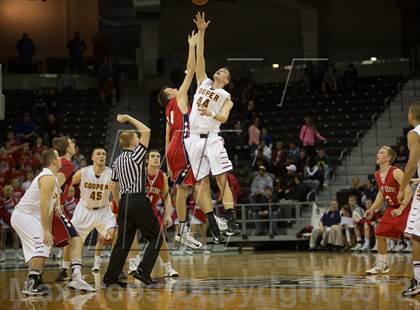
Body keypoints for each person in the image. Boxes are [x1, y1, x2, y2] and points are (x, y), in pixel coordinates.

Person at [184, 12, 238, 242]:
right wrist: (203, 32)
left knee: (221, 177)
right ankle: (212, 221)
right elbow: (201, 55)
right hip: (193, 138)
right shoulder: (203, 82)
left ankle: (231, 216)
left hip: (212, 136)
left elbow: (224, 118)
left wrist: (211, 113)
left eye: (224, 72)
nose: (219, 71)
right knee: (200, 182)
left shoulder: (226, 95)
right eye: (219, 69)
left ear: (226, 80)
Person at [103, 114, 161, 287]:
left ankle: (110, 277)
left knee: (122, 243)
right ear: (133, 142)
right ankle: (143, 271)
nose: (139, 137)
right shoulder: (136, 156)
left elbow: (113, 185)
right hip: (137, 200)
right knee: (156, 237)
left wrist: (119, 202)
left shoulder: (117, 161)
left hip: (125, 203)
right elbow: (147, 131)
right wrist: (128, 118)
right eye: (136, 137)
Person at [158, 31, 203, 249]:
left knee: (185, 189)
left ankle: (183, 229)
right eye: (171, 89)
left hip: (174, 148)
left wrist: (167, 164)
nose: (176, 88)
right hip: (183, 146)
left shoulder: (168, 111)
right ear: (170, 95)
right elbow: (192, 71)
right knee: (189, 187)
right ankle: (186, 228)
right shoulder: (180, 98)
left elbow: (167, 136)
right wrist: (192, 46)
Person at [10, 149, 60, 295]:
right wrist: (45, 231)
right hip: (24, 216)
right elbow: (44, 205)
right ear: (54, 161)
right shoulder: (47, 177)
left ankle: (36, 280)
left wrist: (49, 231)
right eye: (59, 157)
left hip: (30, 217)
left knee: (45, 245)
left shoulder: (54, 179)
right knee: (42, 244)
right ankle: (30, 284)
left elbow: (49, 209)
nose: (61, 159)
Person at [53, 137, 95, 292]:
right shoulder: (66, 163)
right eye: (72, 144)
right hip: (51, 206)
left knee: (45, 243)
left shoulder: (58, 162)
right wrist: (57, 203)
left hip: (46, 205)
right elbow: (55, 184)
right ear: (67, 148)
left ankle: (34, 277)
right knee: (75, 240)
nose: (74, 146)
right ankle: (76, 277)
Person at [127, 150, 178, 277]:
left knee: (160, 239)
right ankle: (133, 263)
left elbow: (166, 197)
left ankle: (168, 268)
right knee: (132, 235)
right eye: (152, 156)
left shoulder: (162, 176)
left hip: (151, 210)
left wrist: (168, 215)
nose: (156, 158)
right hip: (135, 208)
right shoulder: (138, 173)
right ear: (147, 160)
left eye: (158, 157)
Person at [364, 146, 412, 275]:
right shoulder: (377, 174)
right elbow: (381, 193)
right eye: (378, 152)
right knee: (379, 233)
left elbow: (408, 191)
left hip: (407, 207)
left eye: (381, 152)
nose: (377, 154)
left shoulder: (396, 172)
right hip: (392, 209)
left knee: (415, 237)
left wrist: (401, 209)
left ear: (388, 157)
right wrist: (372, 209)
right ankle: (382, 265)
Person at [70, 148, 118, 273]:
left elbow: (116, 192)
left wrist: (119, 207)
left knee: (114, 233)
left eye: (104, 154)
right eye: (98, 154)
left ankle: (114, 267)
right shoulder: (84, 172)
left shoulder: (111, 173)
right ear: (92, 158)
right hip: (85, 209)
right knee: (73, 238)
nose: (101, 156)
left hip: (103, 210)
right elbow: (67, 183)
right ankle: (66, 268)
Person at [397, 102, 420, 297]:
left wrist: (402, 187)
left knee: (416, 235)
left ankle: (418, 281)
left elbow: (412, 163)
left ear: (411, 115)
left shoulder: (414, 133)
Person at [0, 185, 23, 260]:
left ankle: (16, 254)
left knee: (15, 237)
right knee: (3, 238)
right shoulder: (2, 200)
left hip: (12, 220)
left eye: (12, 190)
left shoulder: (15, 200)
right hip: (4, 221)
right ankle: (2, 255)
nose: (12, 192)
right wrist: (1, 222)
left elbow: (18, 209)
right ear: (7, 191)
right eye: (10, 190)